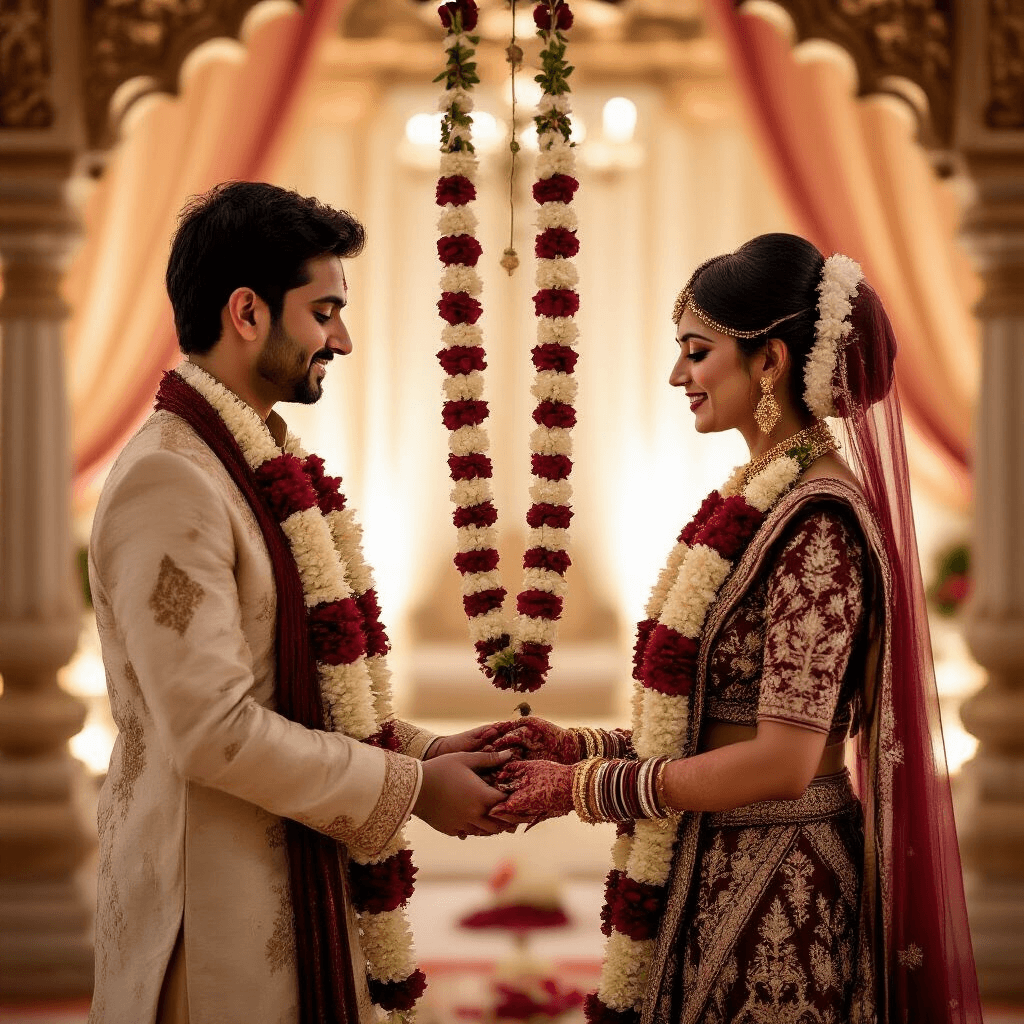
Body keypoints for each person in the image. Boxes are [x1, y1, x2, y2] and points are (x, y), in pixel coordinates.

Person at [488, 234, 982, 1023]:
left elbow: (783, 760)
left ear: (770, 362)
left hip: (780, 888)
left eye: (696, 350)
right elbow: (713, 722)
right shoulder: (757, 500)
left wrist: (587, 789)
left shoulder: (816, 520)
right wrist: (580, 748)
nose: (677, 375)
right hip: (712, 865)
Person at [87, 180, 513, 1024]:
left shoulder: (246, 465)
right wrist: (411, 787)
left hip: (288, 888)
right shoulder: (171, 481)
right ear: (247, 313)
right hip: (210, 922)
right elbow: (212, 731)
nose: (342, 339)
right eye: (324, 312)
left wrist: (423, 751)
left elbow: (298, 692)